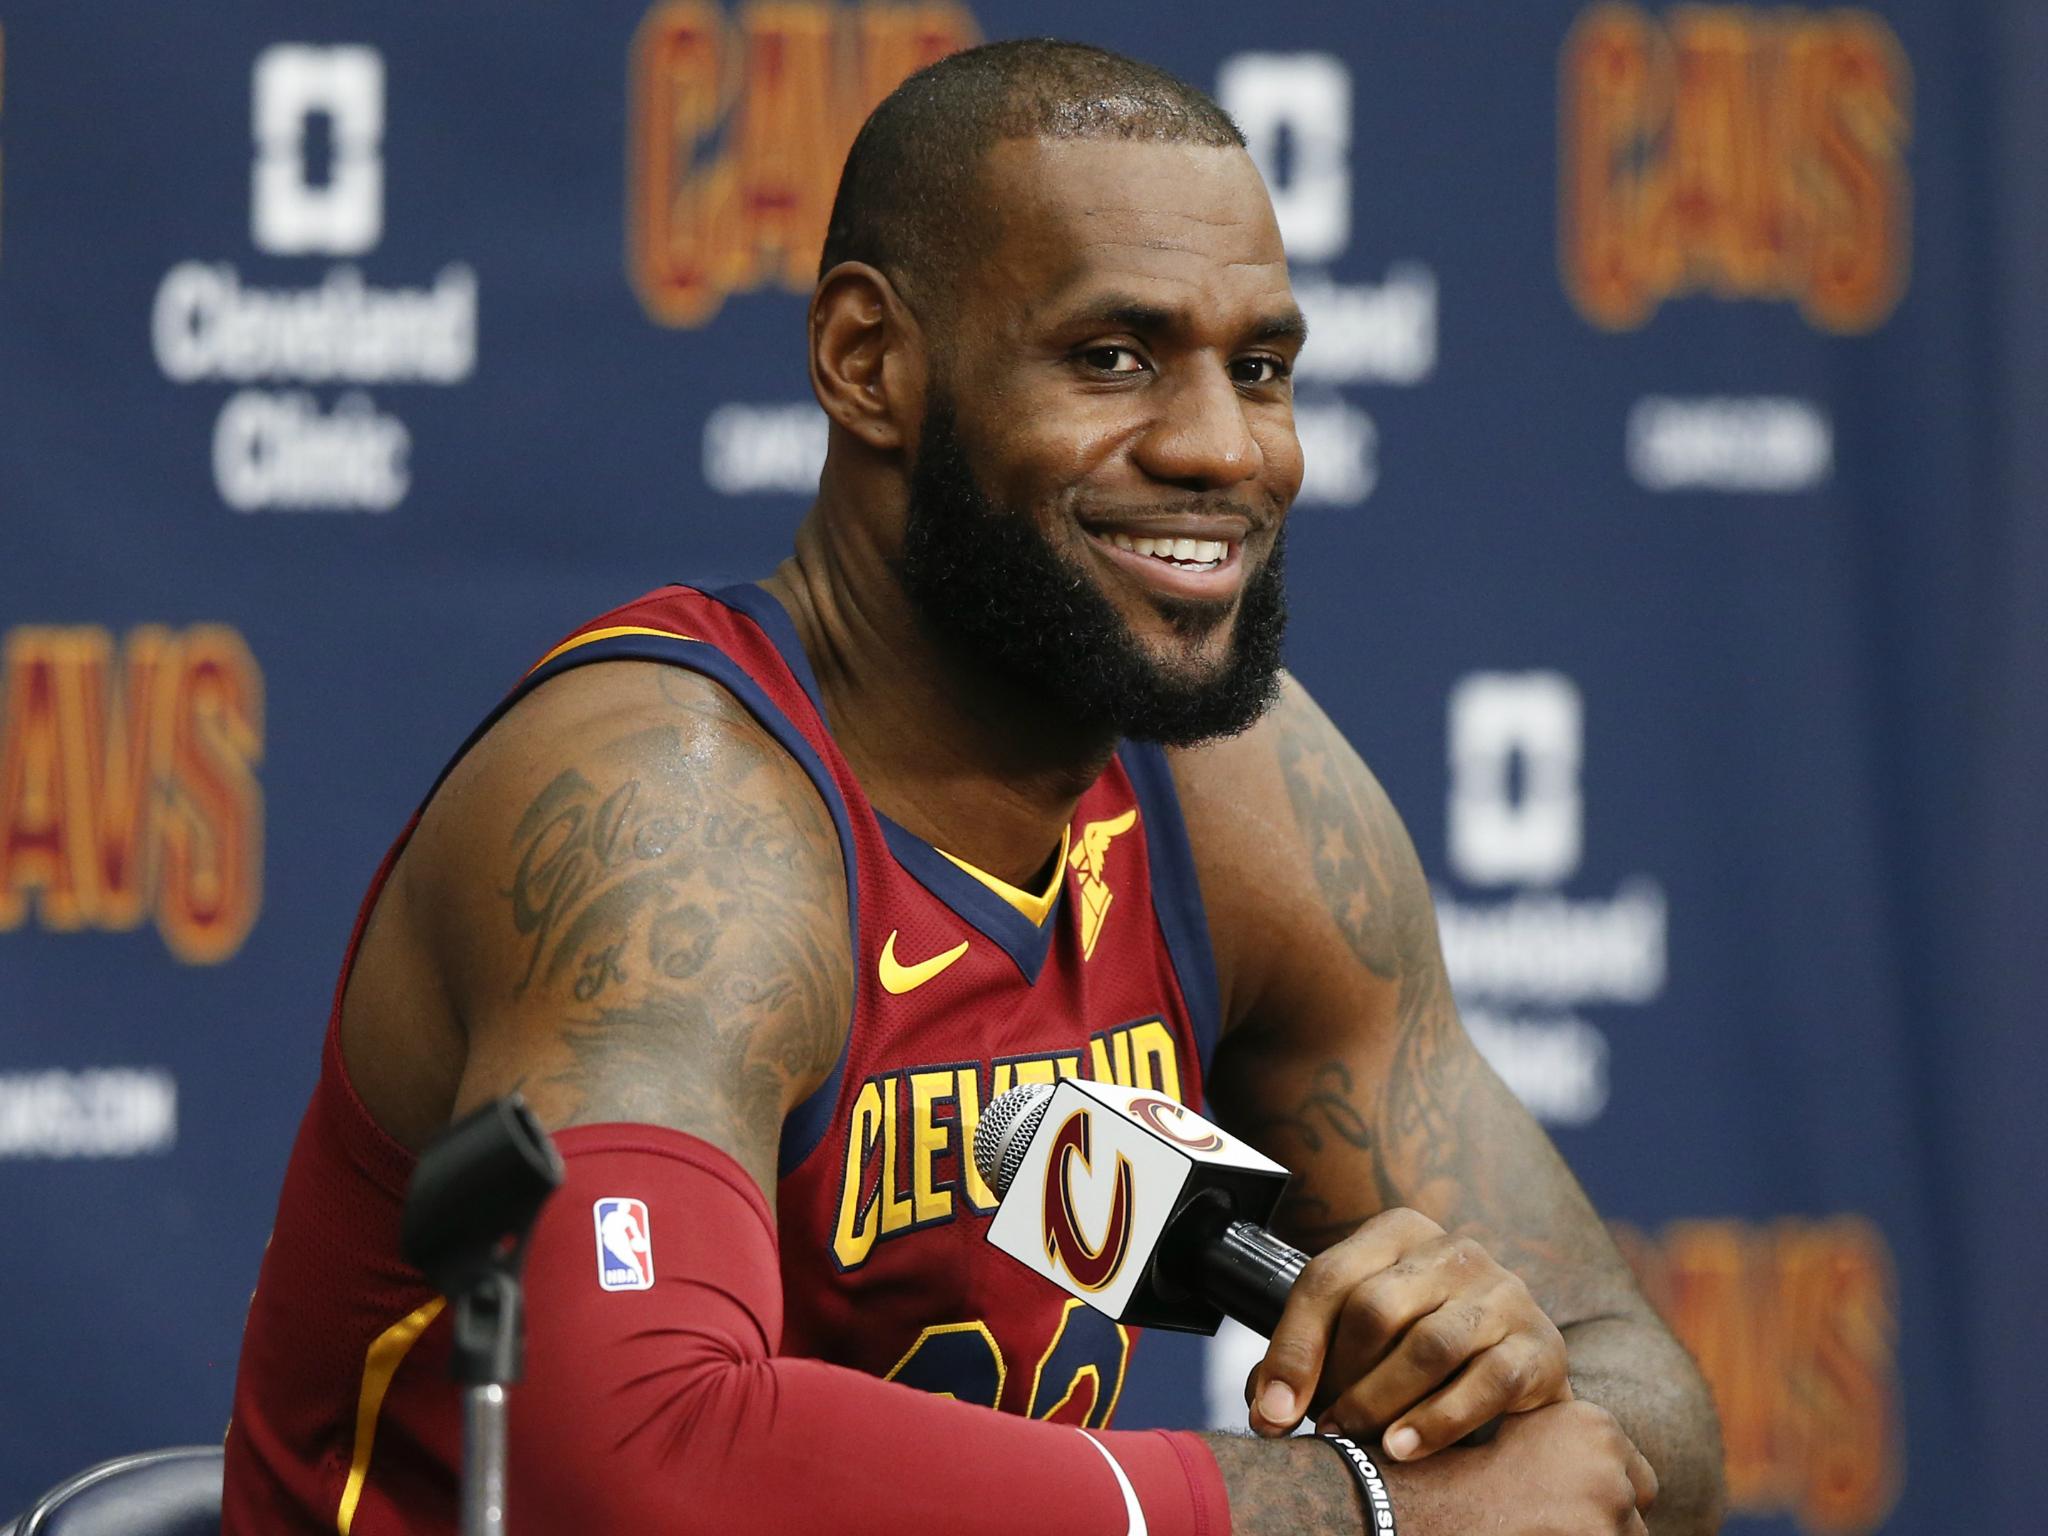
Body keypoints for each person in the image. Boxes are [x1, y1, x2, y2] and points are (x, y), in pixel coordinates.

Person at [223, 39, 1723, 1536]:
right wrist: (1347, 1511)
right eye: (1112, 357)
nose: (1220, 446)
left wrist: (1491, 1386)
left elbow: (1635, 1410)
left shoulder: (1237, 800)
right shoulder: (683, 818)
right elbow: (637, 1453)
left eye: (1258, 369)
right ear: (869, 363)